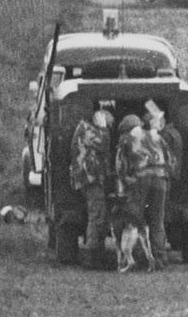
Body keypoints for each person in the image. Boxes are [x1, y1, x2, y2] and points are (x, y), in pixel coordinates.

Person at [116, 113, 174, 270]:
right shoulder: (157, 136)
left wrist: (126, 180)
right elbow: (170, 159)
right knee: (157, 220)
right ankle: (160, 259)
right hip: (161, 180)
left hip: (140, 181)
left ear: (126, 128)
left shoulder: (126, 139)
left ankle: (135, 259)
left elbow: (120, 165)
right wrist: (165, 176)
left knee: (135, 219)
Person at [69, 108, 115, 270]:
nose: (108, 127)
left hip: (89, 178)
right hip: (91, 179)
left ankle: (96, 253)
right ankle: (91, 258)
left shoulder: (84, 129)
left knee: (97, 214)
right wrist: (103, 129)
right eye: (107, 123)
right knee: (97, 215)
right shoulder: (87, 131)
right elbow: (104, 144)